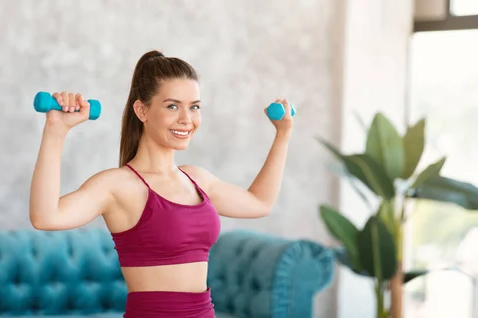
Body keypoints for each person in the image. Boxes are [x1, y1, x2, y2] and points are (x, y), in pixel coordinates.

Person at [29, 50, 293, 318]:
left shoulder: (197, 180)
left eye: (195, 106)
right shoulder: (117, 185)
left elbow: (260, 202)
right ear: (142, 110)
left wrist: (283, 134)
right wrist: (56, 130)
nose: (186, 119)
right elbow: (45, 217)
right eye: (172, 106)